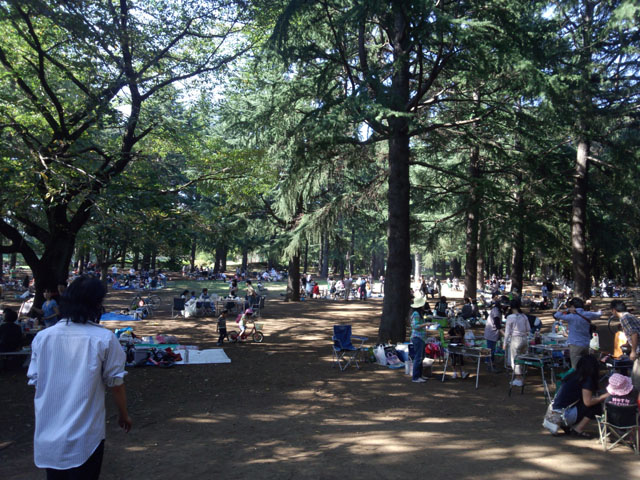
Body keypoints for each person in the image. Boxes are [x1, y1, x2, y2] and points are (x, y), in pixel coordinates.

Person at [27, 276, 131, 479]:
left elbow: (37, 382)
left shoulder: (43, 337)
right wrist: (123, 414)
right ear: (97, 304)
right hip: (86, 434)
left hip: (49, 431)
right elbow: (116, 383)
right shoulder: (104, 339)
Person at [550, 355, 608, 438]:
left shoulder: (573, 375)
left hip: (556, 412)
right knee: (596, 405)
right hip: (563, 414)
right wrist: (605, 396)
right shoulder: (587, 380)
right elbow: (588, 402)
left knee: (587, 402)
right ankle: (578, 429)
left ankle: (567, 425)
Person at [553, 298, 602, 369]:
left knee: (575, 367)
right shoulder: (587, 314)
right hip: (586, 344)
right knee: (585, 366)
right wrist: (592, 305)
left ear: (573, 306)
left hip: (575, 345)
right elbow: (599, 313)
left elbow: (556, 315)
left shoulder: (570, 316)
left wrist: (567, 310)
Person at [610, 300, 640, 390]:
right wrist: (628, 344)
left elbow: (634, 333)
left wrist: (633, 351)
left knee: (636, 379)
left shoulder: (624, 318)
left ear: (614, 310)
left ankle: (635, 401)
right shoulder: (630, 316)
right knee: (634, 376)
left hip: (638, 350)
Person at [503, 298, 530, 387]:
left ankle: (518, 378)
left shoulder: (510, 317)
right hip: (524, 339)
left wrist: (504, 343)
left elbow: (507, 332)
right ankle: (521, 377)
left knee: (515, 359)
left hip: (515, 339)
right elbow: (528, 329)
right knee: (523, 358)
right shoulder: (524, 316)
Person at [409, 296, 430, 383]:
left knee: (421, 357)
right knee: (418, 357)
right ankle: (415, 377)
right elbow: (415, 326)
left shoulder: (419, 313)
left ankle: (420, 375)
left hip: (421, 337)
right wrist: (425, 324)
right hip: (417, 338)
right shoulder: (416, 314)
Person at [484, 295, 503, 369]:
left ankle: (490, 362)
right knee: (490, 349)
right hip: (491, 332)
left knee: (492, 349)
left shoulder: (497, 310)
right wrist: (503, 333)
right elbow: (497, 323)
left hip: (493, 332)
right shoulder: (496, 310)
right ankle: (489, 363)